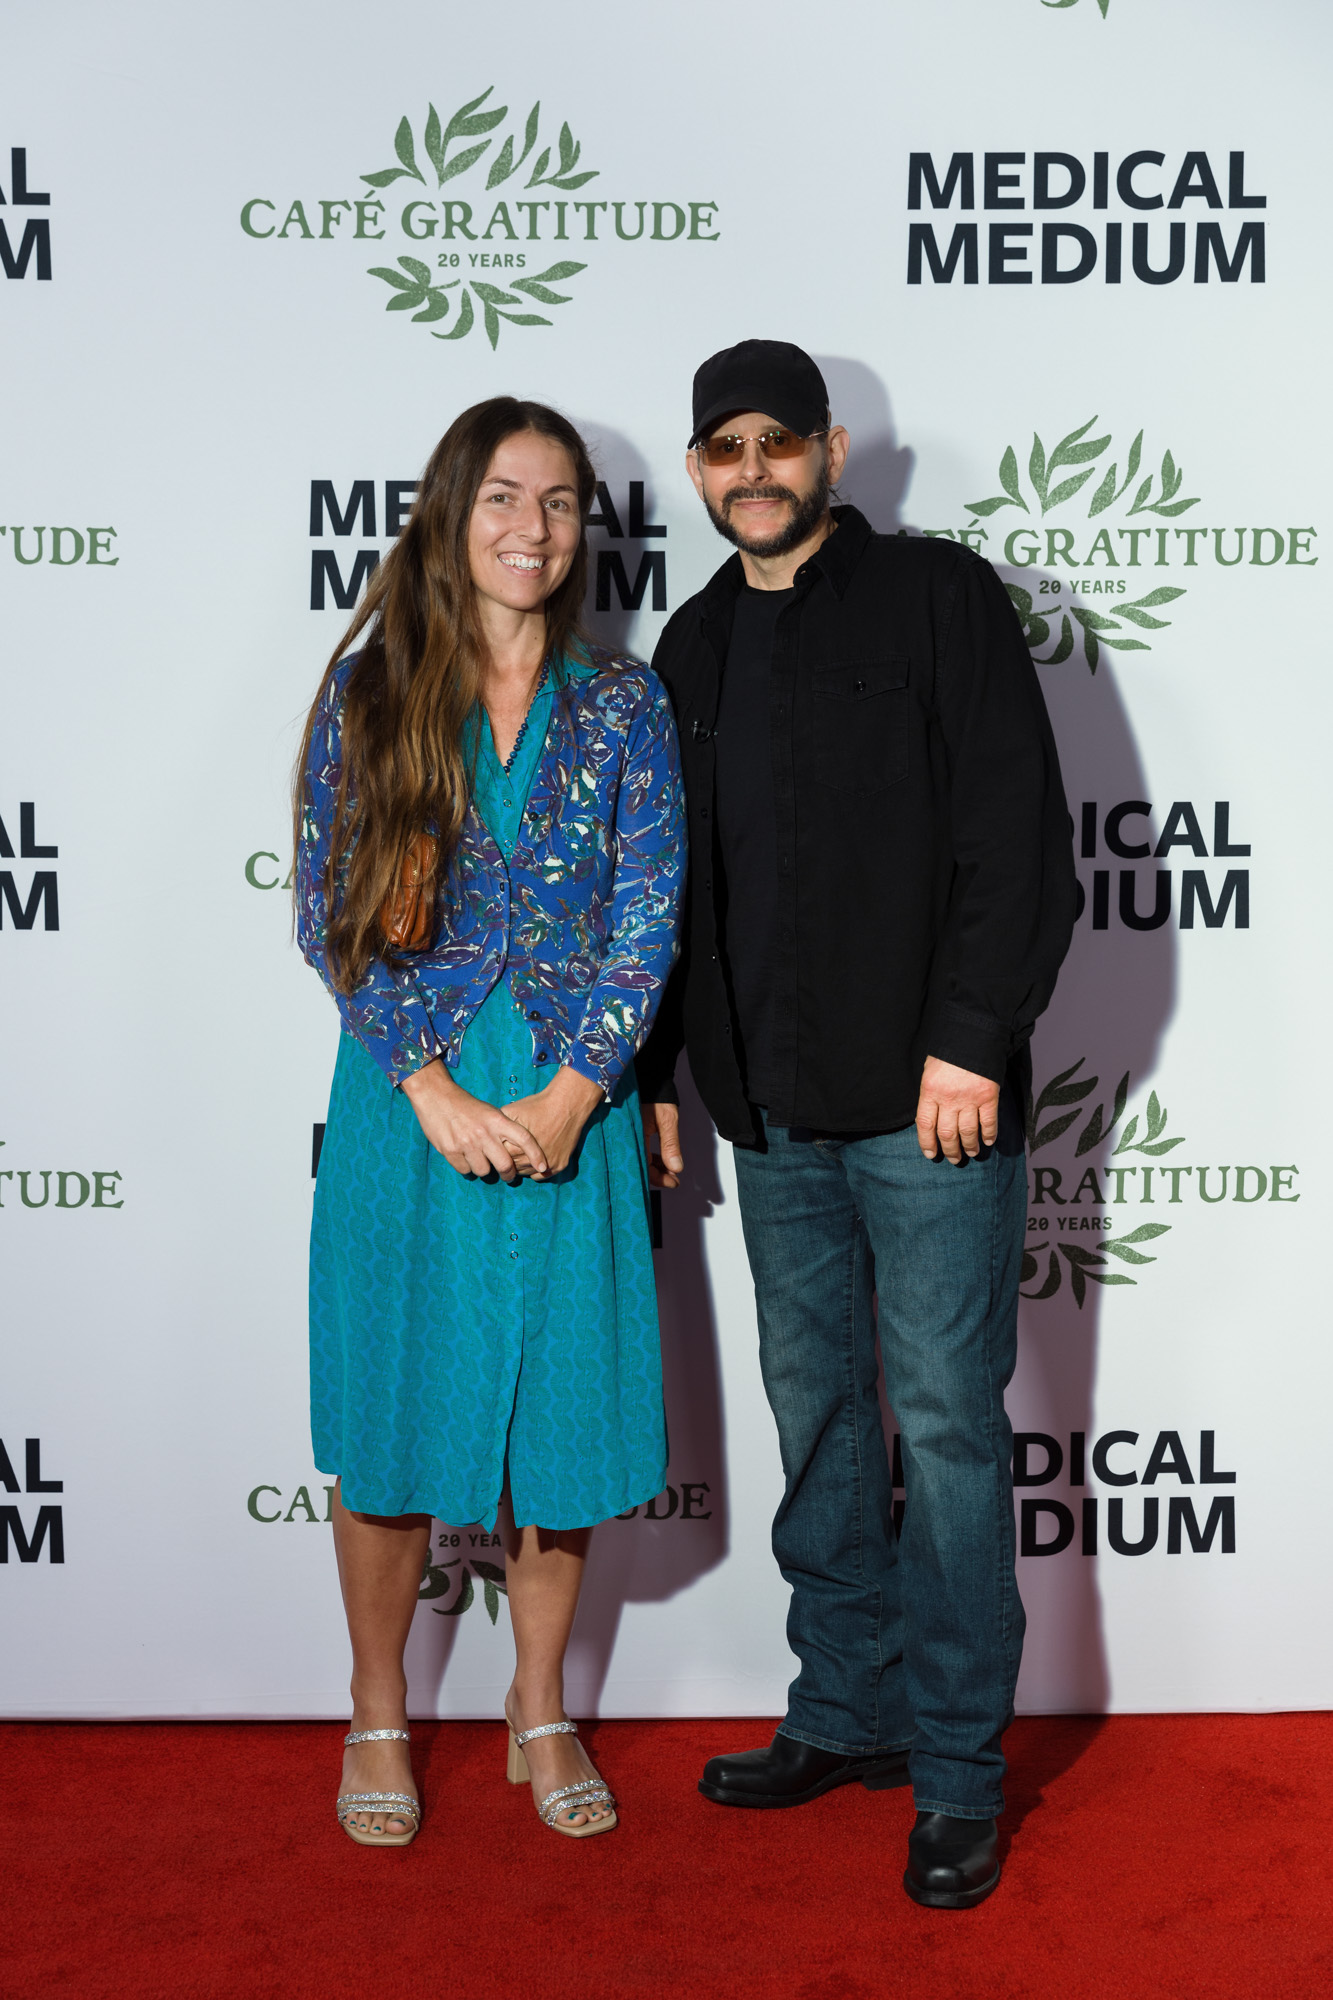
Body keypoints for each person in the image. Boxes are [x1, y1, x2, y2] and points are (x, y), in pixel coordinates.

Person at [637, 340, 1076, 1908]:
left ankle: (955, 1773)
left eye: (777, 440)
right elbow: (671, 890)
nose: (751, 469)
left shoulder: (937, 598)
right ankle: (846, 1707)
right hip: (767, 1107)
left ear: (828, 451)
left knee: (945, 1424)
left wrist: (969, 1041)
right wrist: (660, 1074)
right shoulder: (690, 644)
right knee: (815, 1408)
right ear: (701, 471)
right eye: (723, 448)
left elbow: (1015, 835)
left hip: (927, 1102)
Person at [294, 397, 685, 1848]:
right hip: (410, 1097)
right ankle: (377, 1711)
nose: (534, 527)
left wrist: (580, 1091)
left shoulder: (625, 703)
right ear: (452, 513)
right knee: (392, 1408)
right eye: (505, 496)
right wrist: (435, 1091)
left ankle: (539, 1704)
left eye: (562, 501)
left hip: (575, 1091)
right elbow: (326, 908)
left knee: (562, 1419)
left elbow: (649, 913)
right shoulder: (371, 693)